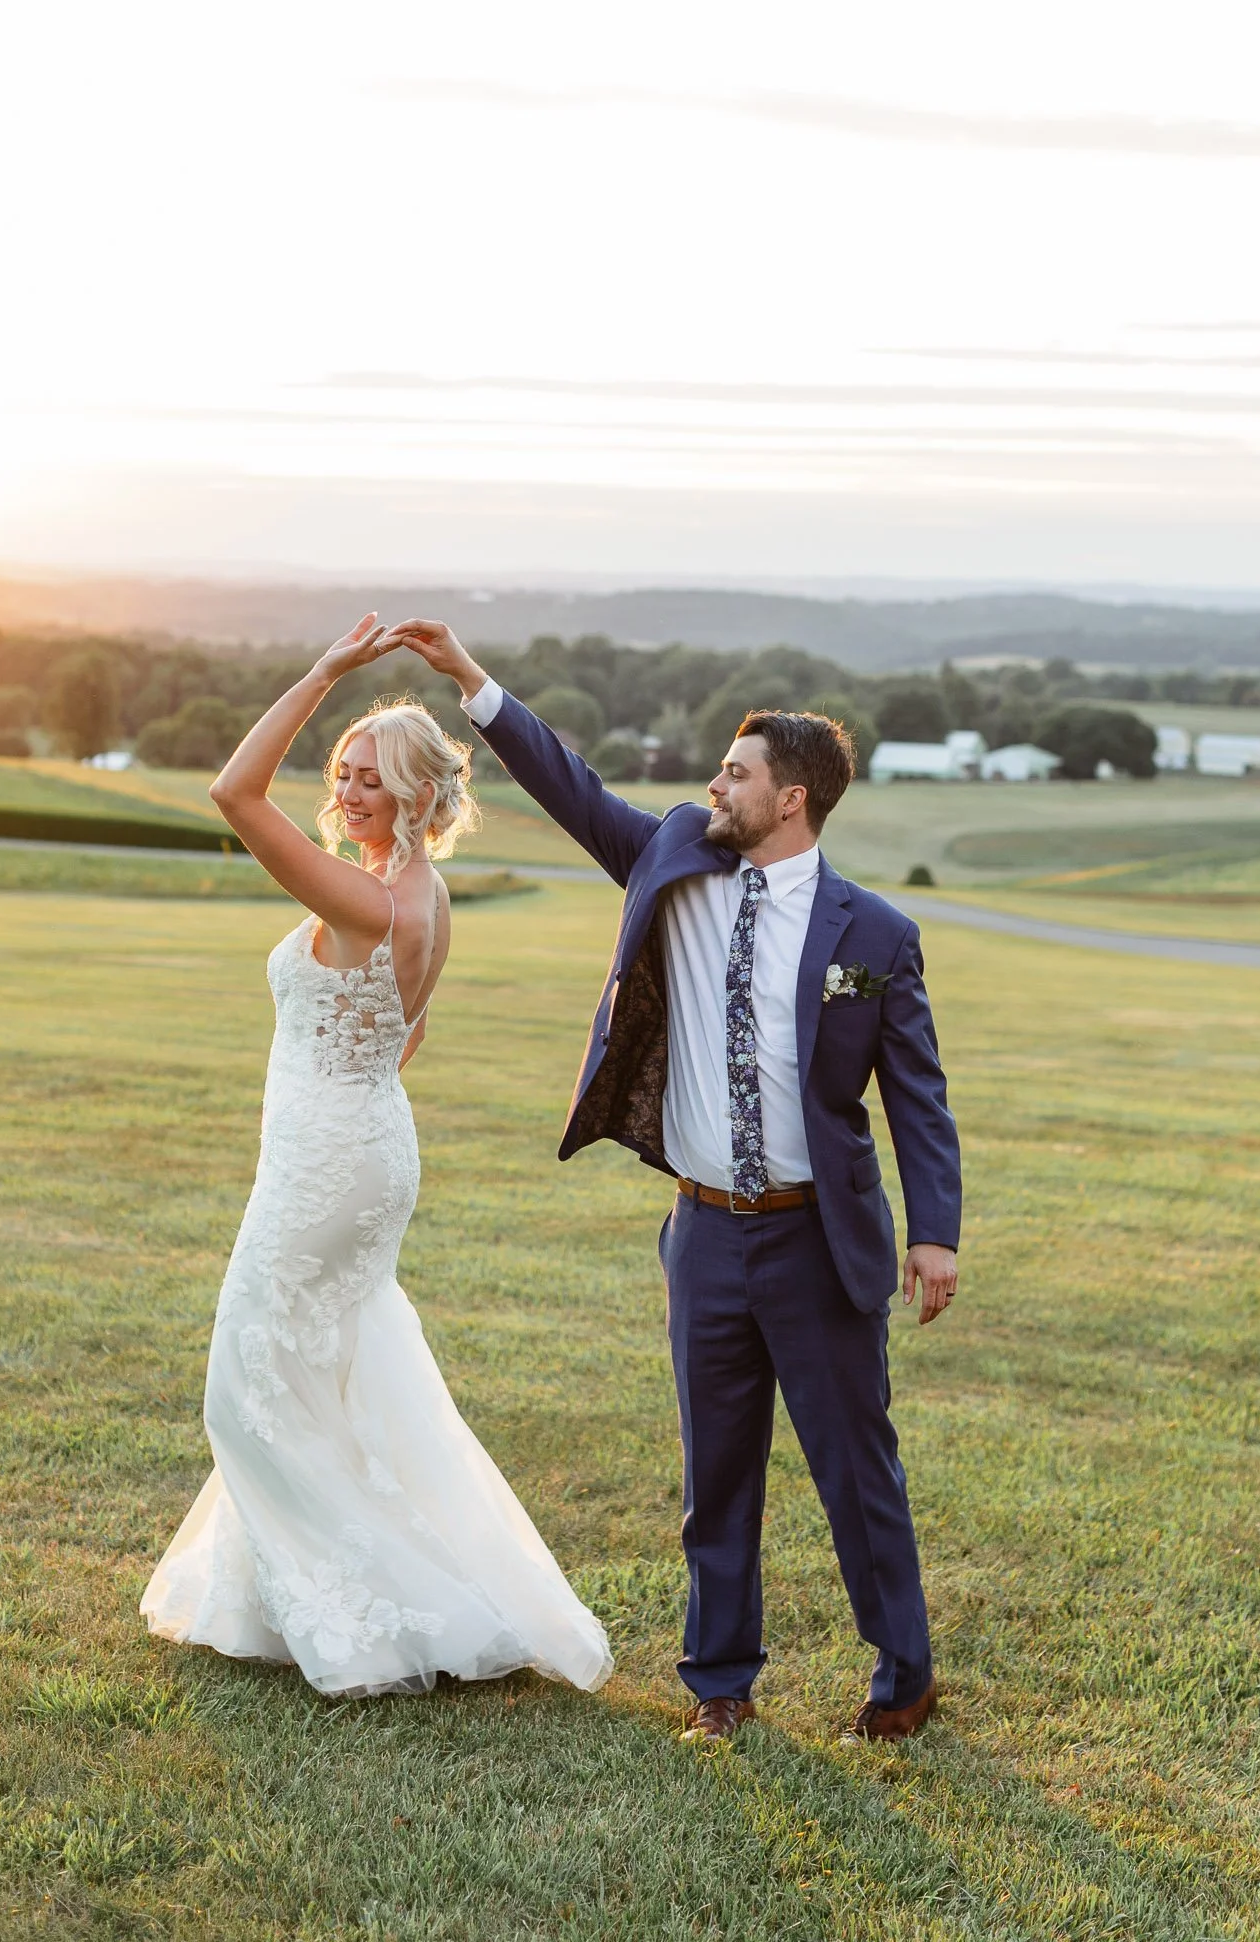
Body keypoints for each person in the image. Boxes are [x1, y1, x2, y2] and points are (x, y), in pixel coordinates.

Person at [390, 616, 960, 1744]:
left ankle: (903, 1679)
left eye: (736, 772)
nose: (716, 783)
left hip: (821, 1240)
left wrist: (934, 1230)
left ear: (790, 798)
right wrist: (471, 681)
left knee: (859, 1472)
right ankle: (719, 1684)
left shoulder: (876, 934)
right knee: (716, 1478)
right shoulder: (672, 857)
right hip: (704, 1236)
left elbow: (918, 1096)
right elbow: (573, 785)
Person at [141, 614, 612, 1700]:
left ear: (414, 795)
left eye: (369, 778)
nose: (346, 791)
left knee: (246, 1379)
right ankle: (285, 1594)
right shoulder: (424, 899)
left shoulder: (366, 899)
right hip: (361, 1145)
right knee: (327, 1380)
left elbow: (232, 794)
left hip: (327, 1164)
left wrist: (319, 670)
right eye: (342, 772)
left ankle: (366, 1612)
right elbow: (407, 1031)